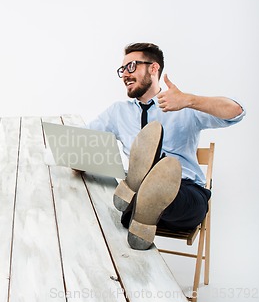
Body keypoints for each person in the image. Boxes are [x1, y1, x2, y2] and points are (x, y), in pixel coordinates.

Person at [87, 43, 245, 250]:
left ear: (154, 68)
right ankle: (140, 187)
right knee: (115, 209)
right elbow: (84, 142)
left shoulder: (183, 105)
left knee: (173, 196)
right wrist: (77, 159)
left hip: (183, 191)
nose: (125, 74)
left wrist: (190, 100)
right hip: (136, 204)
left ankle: (145, 188)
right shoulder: (117, 112)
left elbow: (236, 112)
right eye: (122, 70)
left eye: (131, 66)